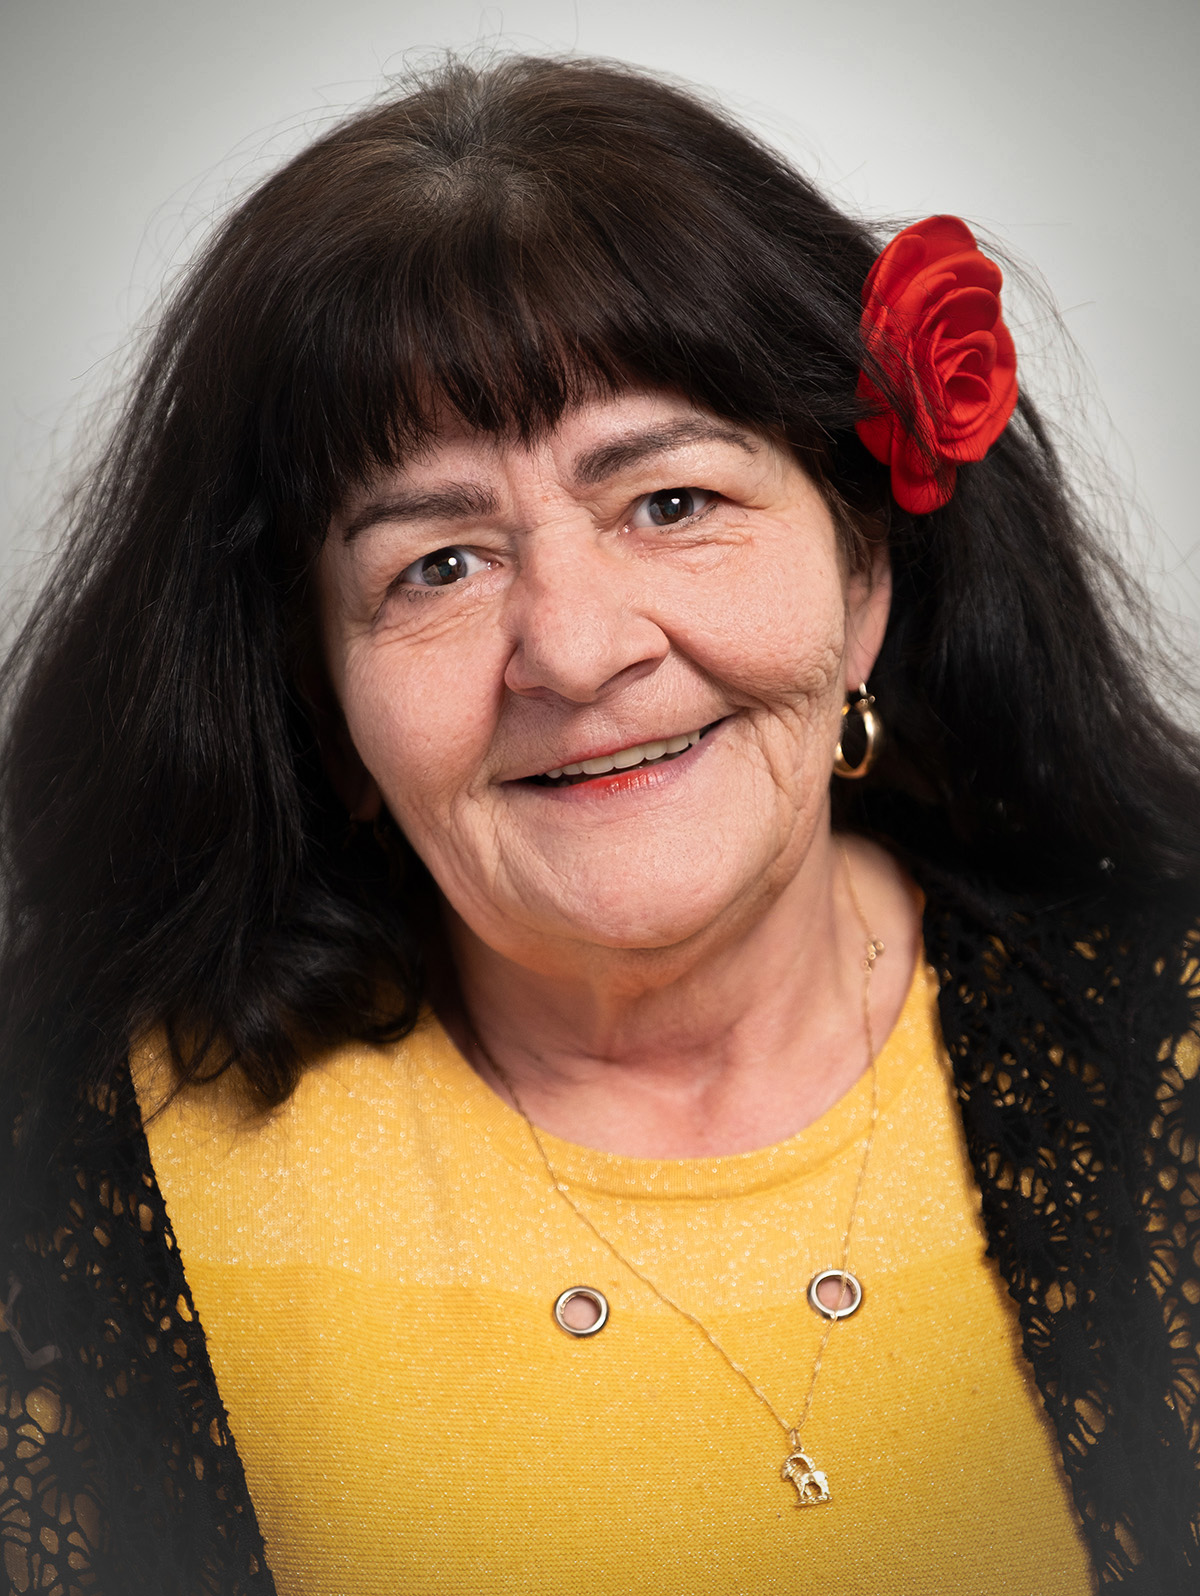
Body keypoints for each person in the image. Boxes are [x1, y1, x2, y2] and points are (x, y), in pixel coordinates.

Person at [0, 53, 1197, 1596]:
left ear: (864, 581)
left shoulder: (1164, 1042)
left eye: (671, 503)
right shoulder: (81, 1170)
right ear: (325, 708)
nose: (572, 651)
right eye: (437, 565)